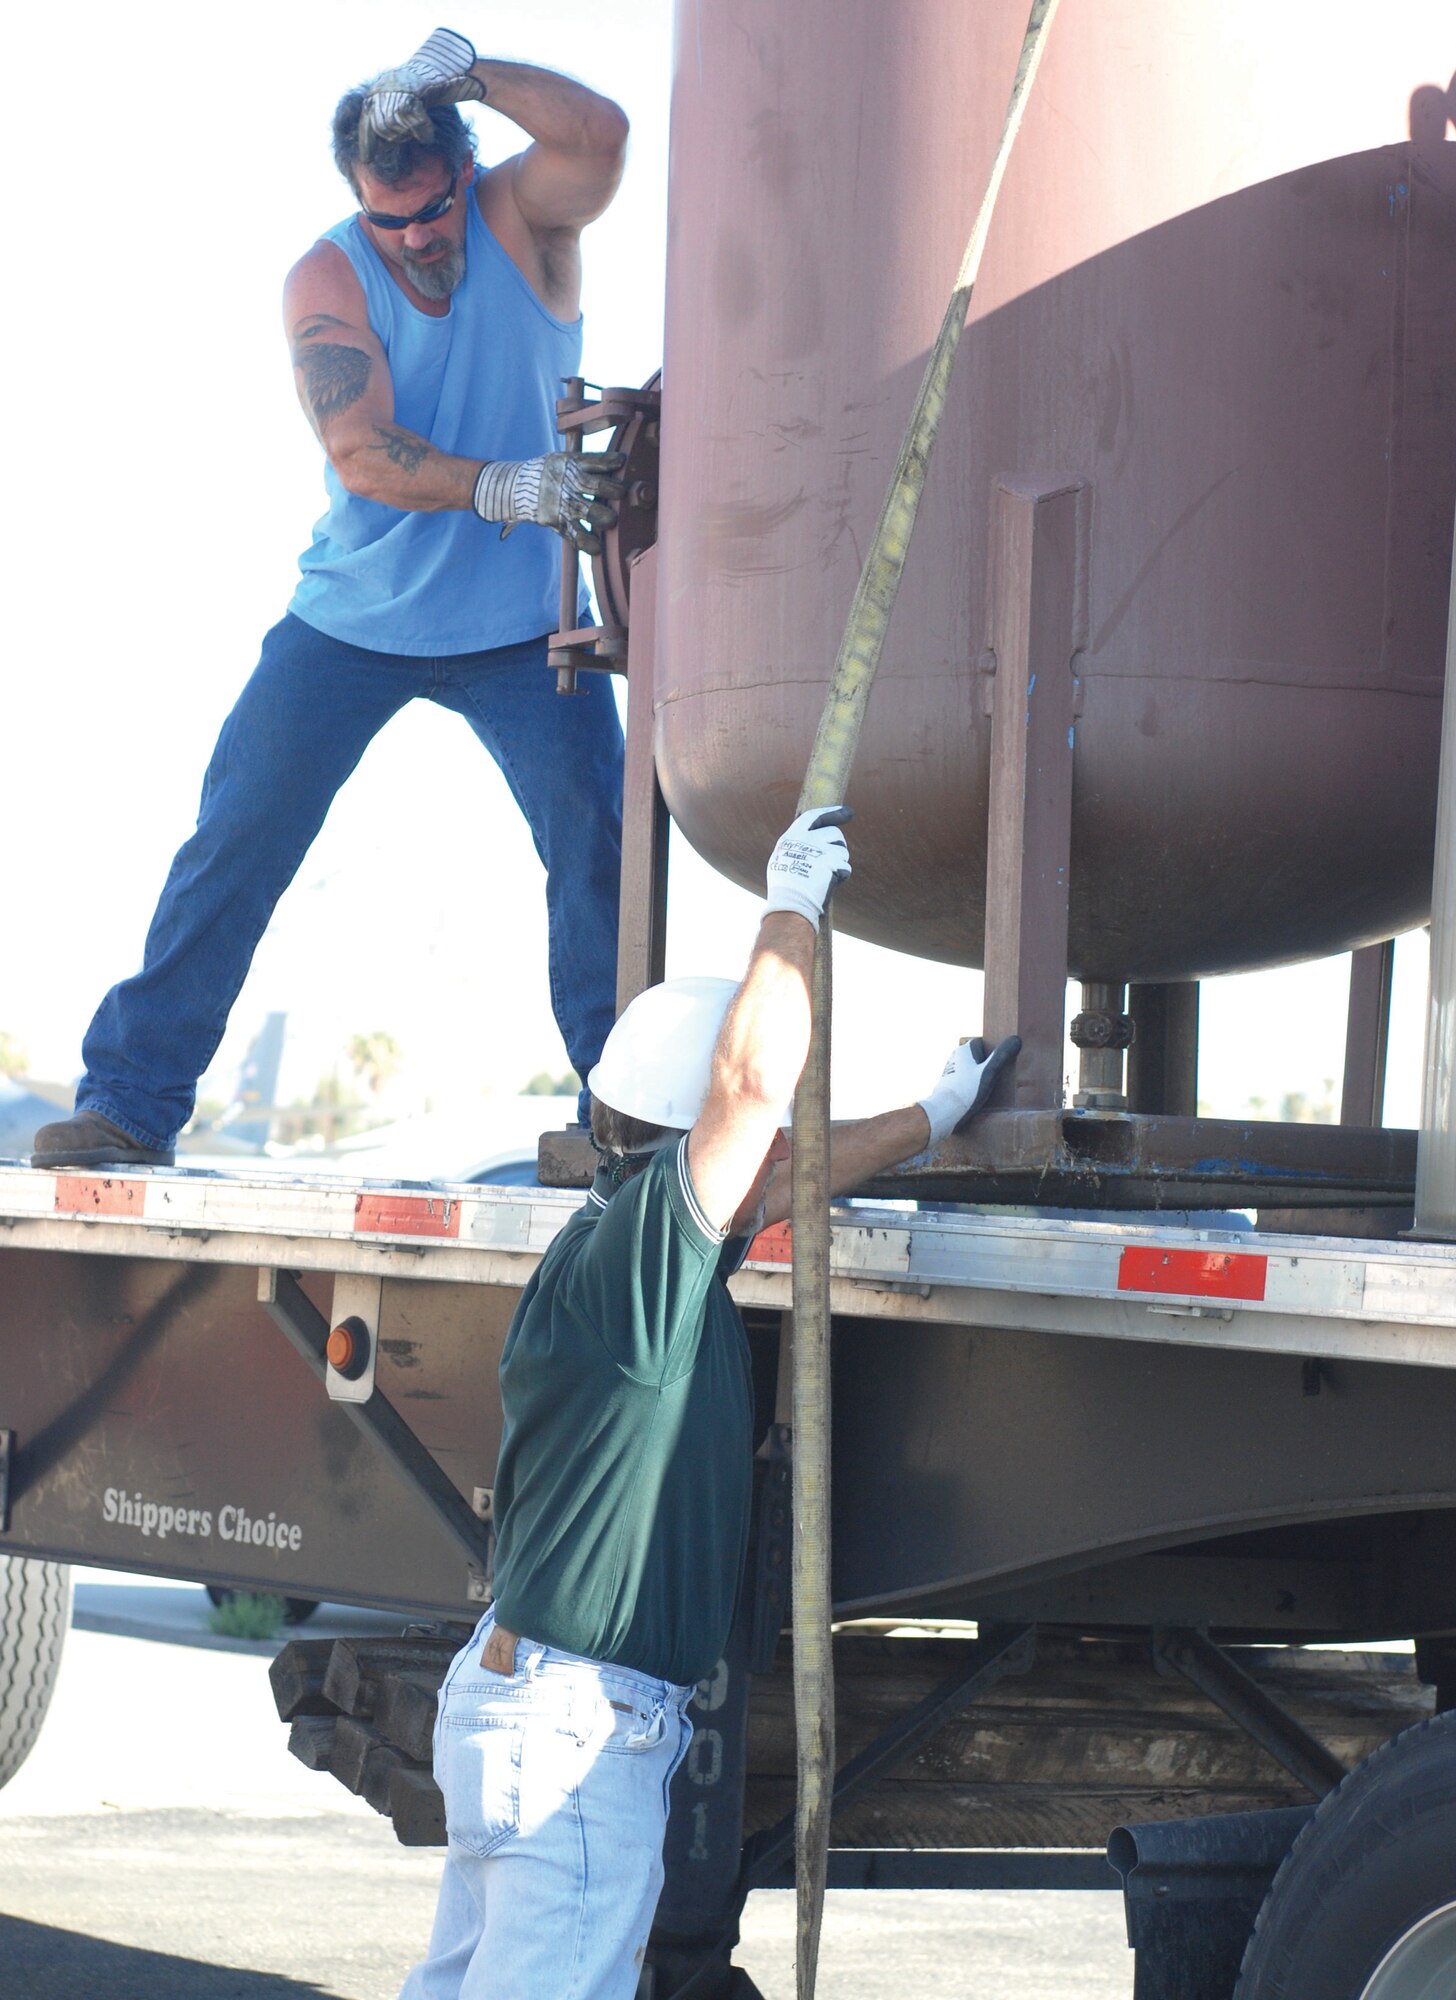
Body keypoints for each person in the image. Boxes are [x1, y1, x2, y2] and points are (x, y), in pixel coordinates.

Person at [402, 808, 1018, 2000]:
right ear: (689, 1135)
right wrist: (790, 909)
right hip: (575, 1721)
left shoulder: (630, 1245)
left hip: (523, 1700)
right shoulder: (646, 1256)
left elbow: (770, 1169)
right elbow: (746, 1088)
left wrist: (926, 1119)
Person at [33, 27, 630, 1169]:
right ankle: (129, 1103)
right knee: (237, 833)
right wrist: (506, 483)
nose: (411, 240)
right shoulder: (326, 273)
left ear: (466, 173)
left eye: (429, 211)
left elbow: (597, 134)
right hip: (348, 620)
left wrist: (473, 73)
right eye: (385, 219)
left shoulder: (525, 219)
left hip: (520, 627)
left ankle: (622, 1117)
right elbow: (360, 453)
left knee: (596, 840)